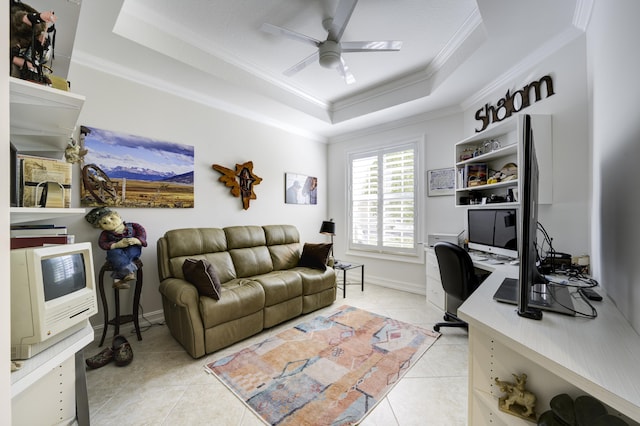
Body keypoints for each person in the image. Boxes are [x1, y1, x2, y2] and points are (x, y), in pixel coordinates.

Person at [85, 207, 147, 289]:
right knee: (113, 254)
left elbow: (142, 233)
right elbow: (102, 244)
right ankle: (128, 271)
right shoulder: (105, 234)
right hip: (117, 252)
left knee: (131, 252)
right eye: (104, 223)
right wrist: (116, 245)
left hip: (132, 248)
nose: (110, 222)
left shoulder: (134, 226)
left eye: (111, 218)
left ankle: (118, 278)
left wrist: (137, 240)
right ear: (101, 227)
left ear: (119, 216)